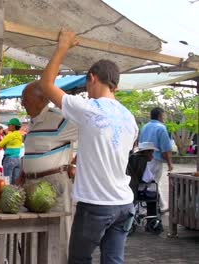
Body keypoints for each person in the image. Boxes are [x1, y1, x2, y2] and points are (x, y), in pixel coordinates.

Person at [39, 30, 138, 263]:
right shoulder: (129, 117)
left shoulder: (88, 108)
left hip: (96, 204)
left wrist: (62, 46)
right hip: (124, 203)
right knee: (113, 260)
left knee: (79, 260)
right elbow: (109, 151)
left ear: (93, 78)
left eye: (86, 84)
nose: (86, 90)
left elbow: (46, 85)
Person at [16, 81, 78, 259]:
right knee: (32, 235)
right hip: (30, 185)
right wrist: (24, 172)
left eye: (25, 99)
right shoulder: (32, 123)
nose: (22, 103)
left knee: (57, 236)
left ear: (41, 98)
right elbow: (34, 152)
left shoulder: (59, 119)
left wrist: (74, 164)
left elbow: (93, 136)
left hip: (54, 184)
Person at [139, 107, 173, 212]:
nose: (164, 117)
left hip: (144, 159)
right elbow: (165, 150)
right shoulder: (161, 128)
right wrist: (169, 164)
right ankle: (146, 209)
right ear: (159, 116)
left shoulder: (145, 127)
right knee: (152, 184)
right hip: (155, 159)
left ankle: (162, 206)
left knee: (149, 182)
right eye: (164, 115)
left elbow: (140, 143)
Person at [0, 118, 23, 183]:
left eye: (9, 125)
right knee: (15, 180)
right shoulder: (20, 136)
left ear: (13, 126)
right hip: (17, 159)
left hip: (9, 159)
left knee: (7, 179)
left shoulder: (10, 136)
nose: (8, 126)